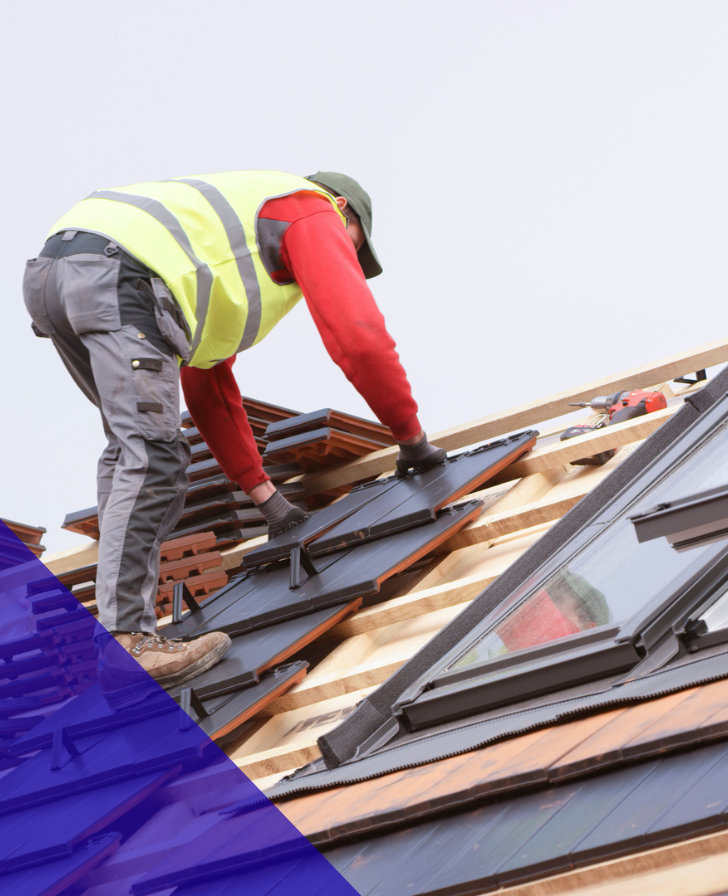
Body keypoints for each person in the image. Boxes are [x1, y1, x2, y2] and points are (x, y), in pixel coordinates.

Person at [23, 170, 445, 706]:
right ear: (345, 210)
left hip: (61, 276)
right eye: (355, 246)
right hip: (119, 274)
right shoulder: (311, 209)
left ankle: (120, 634)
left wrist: (266, 499)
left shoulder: (215, 266)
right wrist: (411, 438)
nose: (348, 259)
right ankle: (127, 640)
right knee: (151, 453)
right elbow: (357, 337)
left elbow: (210, 391)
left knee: (134, 448)